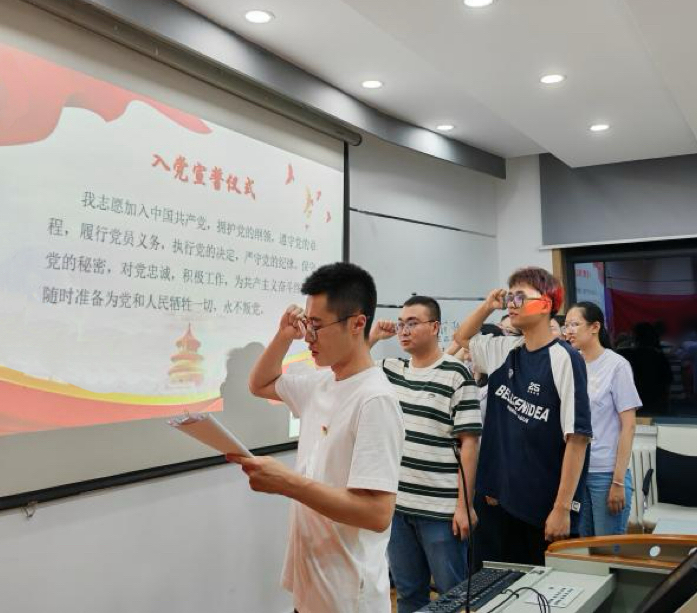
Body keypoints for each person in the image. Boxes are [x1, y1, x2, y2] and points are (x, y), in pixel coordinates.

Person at [232, 262, 405, 613]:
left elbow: (377, 513)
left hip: (348, 597)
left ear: (357, 323)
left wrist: (288, 483)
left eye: (317, 326)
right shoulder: (321, 383)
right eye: (306, 325)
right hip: (311, 585)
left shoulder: (375, 399)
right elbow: (259, 384)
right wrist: (284, 335)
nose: (308, 337)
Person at [454, 267, 591, 566]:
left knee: (538, 588)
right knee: (492, 583)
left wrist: (562, 508)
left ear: (545, 304)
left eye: (520, 297)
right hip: (496, 501)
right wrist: (488, 305)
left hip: (541, 507)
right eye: (510, 297)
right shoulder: (506, 349)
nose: (511, 304)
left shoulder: (565, 359)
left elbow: (578, 439)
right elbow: (462, 337)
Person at [368, 296, 482, 613]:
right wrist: (374, 337)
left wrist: (464, 506)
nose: (403, 330)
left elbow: (469, 444)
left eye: (412, 323)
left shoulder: (456, 373)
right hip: (398, 506)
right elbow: (350, 367)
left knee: (452, 595)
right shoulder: (390, 369)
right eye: (400, 323)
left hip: (440, 511)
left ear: (434, 327)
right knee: (408, 593)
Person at [563, 302, 641, 538]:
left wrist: (618, 482)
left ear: (595, 327)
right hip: (576, 472)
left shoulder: (617, 365)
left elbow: (629, 426)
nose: (568, 331)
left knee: (607, 551)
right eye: (566, 325)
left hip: (606, 474)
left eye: (575, 324)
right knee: (582, 548)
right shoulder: (570, 364)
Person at [618, 322, 672, 416]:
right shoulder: (658, 356)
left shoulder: (624, 354)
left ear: (634, 337)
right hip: (655, 405)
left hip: (630, 406)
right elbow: (667, 382)